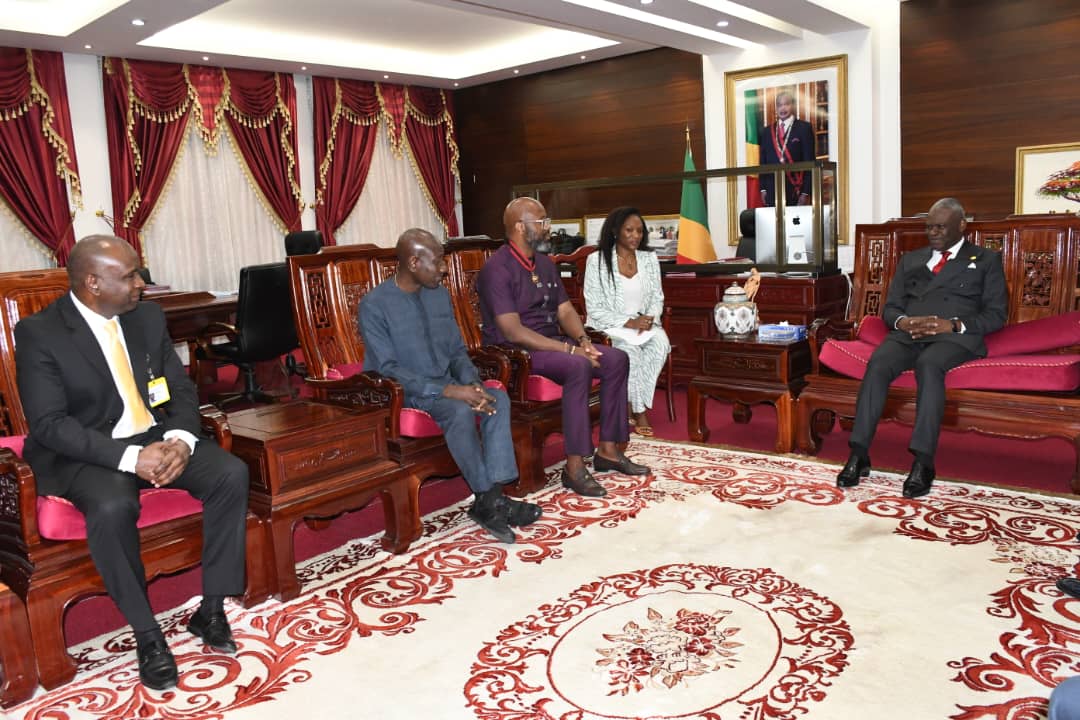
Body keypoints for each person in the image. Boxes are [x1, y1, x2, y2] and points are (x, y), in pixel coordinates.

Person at [14, 235, 249, 692]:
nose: (141, 283)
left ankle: (212, 609)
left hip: (155, 436)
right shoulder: (40, 333)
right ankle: (147, 635)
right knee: (111, 507)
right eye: (129, 276)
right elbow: (49, 425)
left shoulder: (146, 315)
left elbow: (178, 388)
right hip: (89, 451)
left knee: (230, 473)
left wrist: (180, 439)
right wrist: (129, 459)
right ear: (93, 282)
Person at [359, 228, 542, 544]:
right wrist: (450, 391)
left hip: (448, 384)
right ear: (414, 262)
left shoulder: (438, 295)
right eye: (439, 261)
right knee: (458, 409)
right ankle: (490, 497)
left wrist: (473, 384)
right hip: (408, 393)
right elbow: (387, 369)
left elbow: (457, 351)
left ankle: (491, 499)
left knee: (496, 398)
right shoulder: (375, 305)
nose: (445, 269)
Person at [477, 197, 650, 498]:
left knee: (616, 358)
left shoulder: (543, 261)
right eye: (541, 222)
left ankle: (609, 449)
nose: (548, 228)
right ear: (520, 227)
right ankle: (574, 467)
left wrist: (583, 341)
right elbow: (512, 330)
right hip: (516, 352)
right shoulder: (497, 268)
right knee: (578, 365)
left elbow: (565, 311)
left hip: (552, 343)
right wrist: (570, 351)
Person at [836, 198, 1008, 498]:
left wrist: (952, 325)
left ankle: (923, 461)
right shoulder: (911, 260)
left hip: (954, 337)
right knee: (878, 363)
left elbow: (996, 315)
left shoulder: (984, 260)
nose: (933, 233)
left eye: (941, 227)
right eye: (929, 227)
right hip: (909, 334)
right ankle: (858, 453)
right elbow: (890, 309)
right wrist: (902, 322)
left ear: (962, 226)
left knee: (929, 366)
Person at [583, 206, 671, 436]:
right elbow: (594, 307)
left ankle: (633, 403)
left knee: (660, 346)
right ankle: (640, 411)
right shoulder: (597, 261)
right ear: (615, 231)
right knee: (630, 353)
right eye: (629, 230)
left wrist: (649, 319)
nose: (635, 236)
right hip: (611, 328)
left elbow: (657, 297)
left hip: (646, 325)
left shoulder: (649, 259)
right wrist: (629, 322)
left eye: (639, 231)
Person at [759, 90, 816, 207]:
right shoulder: (766, 131)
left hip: (796, 190)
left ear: (793, 106)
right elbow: (762, 163)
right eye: (779, 105)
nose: (783, 108)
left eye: (786, 104)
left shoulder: (804, 128)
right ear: (776, 108)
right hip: (772, 190)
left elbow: (810, 163)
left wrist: (805, 192)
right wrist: (763, 189)